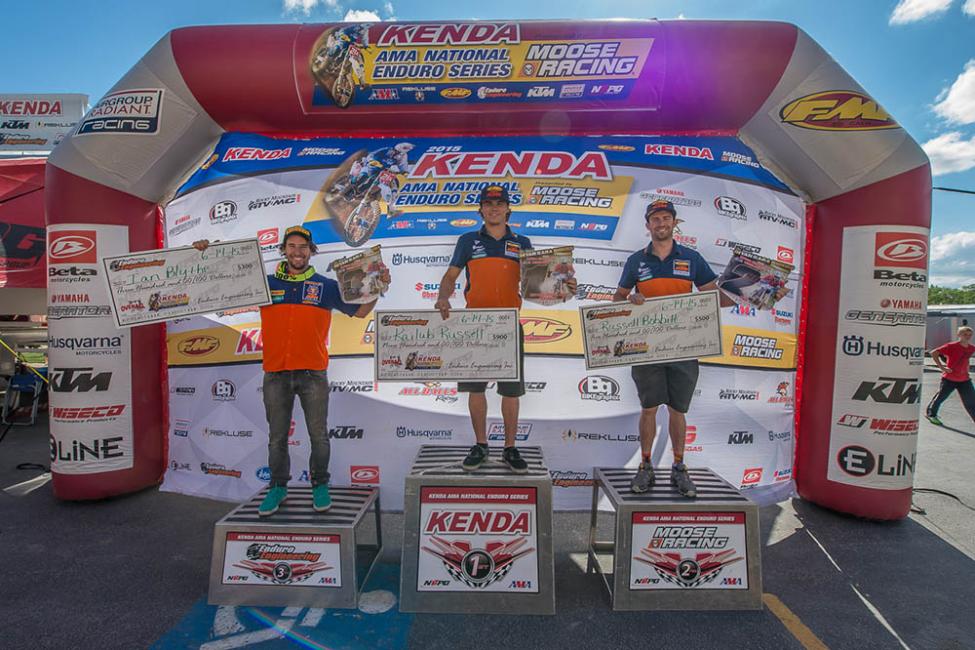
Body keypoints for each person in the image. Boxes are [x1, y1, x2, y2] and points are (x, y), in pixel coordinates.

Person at [193, 226, 389, 516]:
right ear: (284, 250)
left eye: (303, 247)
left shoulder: (325, 286)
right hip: (276, 373)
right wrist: (206, 255)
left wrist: (378, 287)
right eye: (292, 246)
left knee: (319, 436)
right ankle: (277, 487)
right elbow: (225, 285)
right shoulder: (266, 284)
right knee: (277, 437)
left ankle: (320, 485)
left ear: (311, 251)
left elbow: (360, 313)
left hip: (313, 374)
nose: (298, 252)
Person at [434, 185, 575, 473]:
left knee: (510, 391)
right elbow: (450, 276)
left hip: (509, 323)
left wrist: (566, 289)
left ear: (508, 209)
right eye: (488, 203)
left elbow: (540, 285)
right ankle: (481, 444)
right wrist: (443, 297)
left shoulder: (522, 242)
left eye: (499, 203)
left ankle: (510, 447)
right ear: (481, 209)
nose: (494, 208)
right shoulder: (467, 240)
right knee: (476, 389)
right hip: (474, 323)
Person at [613, 199, 733, 497]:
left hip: (683, 346)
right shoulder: (635, 261)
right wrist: (630, 301)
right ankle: (645, 465)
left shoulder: (691, 258)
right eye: (656, 219)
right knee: (649, 408)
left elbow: (715, 298)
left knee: (678, 410)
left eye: (666, 218)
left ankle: (679, 466)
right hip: (646, 347)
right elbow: (618, 299)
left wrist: (757, 294)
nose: (661, 223)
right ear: (648, 225)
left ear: (674, 222)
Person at [926, 326, 975, 426]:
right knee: (940, 398)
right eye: (965, 334)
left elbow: (966, 359)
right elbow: (934, 353)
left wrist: (967, 369)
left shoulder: (971, 348)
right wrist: (942, 368)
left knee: (971, 402)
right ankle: (931, 414)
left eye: (970, 335)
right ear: (959, 335)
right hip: (949, 379)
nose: (967, 337)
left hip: (965, 380)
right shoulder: (951, 346)